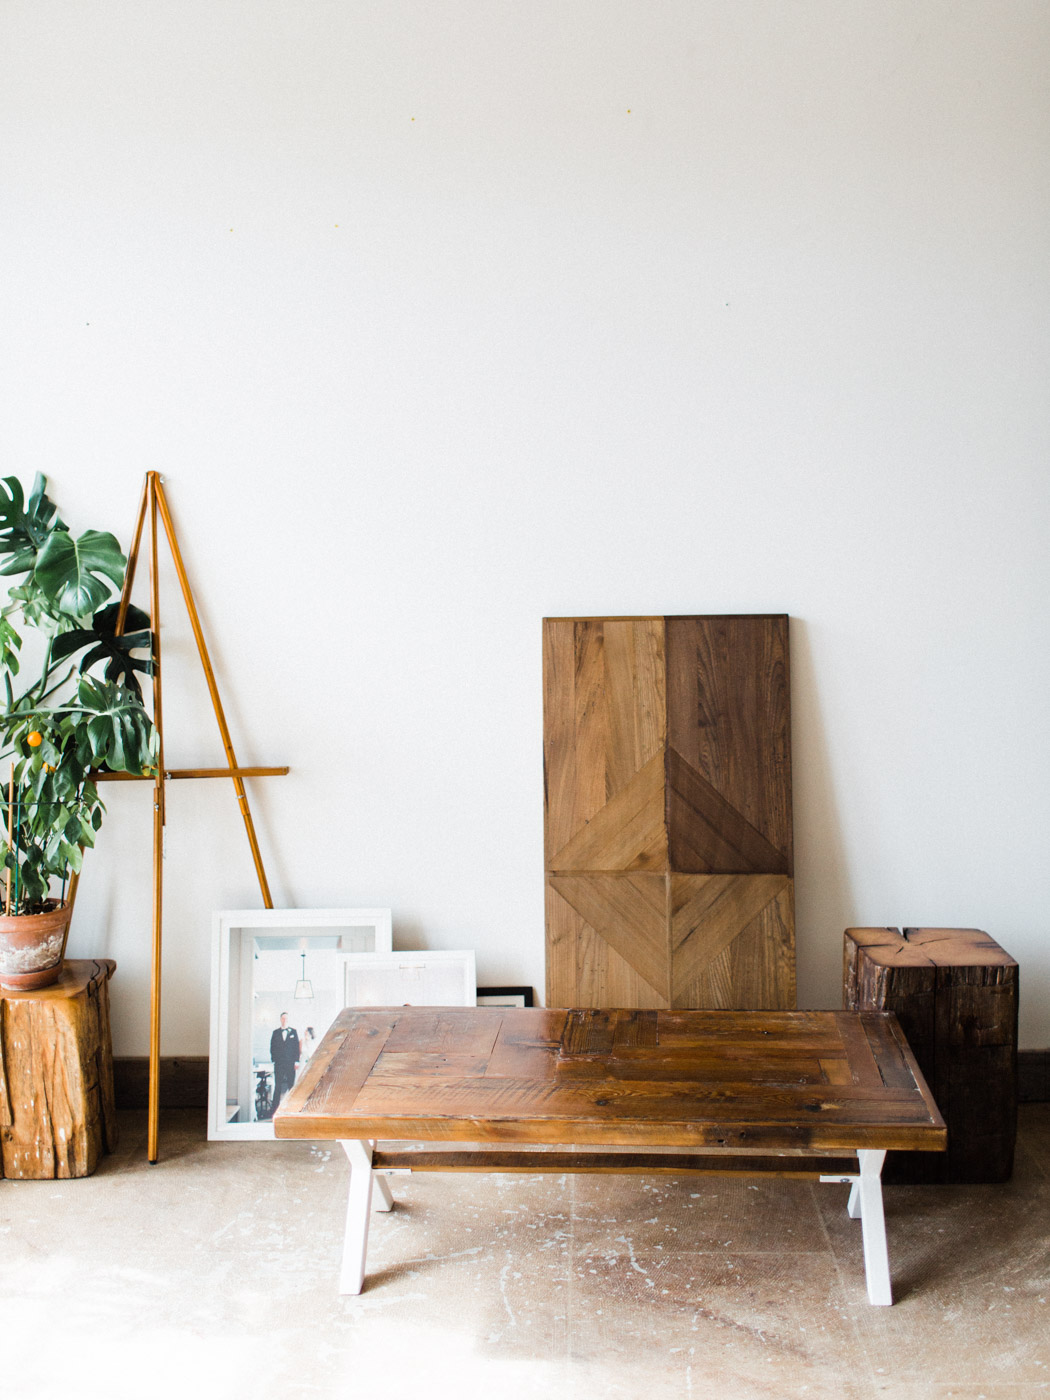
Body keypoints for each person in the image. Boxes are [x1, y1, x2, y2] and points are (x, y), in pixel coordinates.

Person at [269, 1012, 300, 1112]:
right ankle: (274, 1109)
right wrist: (274, 1059)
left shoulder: (293, 1032)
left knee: (291, 1085)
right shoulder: (275, 1032)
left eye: (286, 1018)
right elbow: (272, 1047)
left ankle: (292, 1108)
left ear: (288, 1020)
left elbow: (296, 1048)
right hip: (279, 1063)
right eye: (283, 1018)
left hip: (291, 1063)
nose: (284, 1020)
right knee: (277, 1086)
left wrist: (296, 1061)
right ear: (280, 1019)